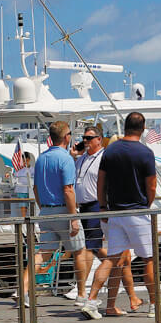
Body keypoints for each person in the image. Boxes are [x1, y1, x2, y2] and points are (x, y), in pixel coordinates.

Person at [82, 111, 161, 319]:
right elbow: (151, 185)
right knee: (149, 258)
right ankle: (154, 306)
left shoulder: (111, 150)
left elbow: (101, 182)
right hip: (137, 211)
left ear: (125, 127)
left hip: (114, 212)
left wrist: (103, 207)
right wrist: (146, 205)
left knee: (111, 258)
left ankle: (91, 301)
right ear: (142, 129)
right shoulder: (145, 153)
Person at [30, 120, 83, 299]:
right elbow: (68, 190)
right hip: (63, 211)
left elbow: (36, 189)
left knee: (43, 254)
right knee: (79, 251)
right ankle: (82, 294)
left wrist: (43, 208)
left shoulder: (41, 158)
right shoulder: (65, 159)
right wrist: (73, 217)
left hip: (45, 211)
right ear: (66, 137)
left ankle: (23, 290)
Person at [71, 124, 108, 302]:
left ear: (99, 139)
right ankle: (118, 267)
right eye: (84, 138)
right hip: (82, 207)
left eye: (89, 138)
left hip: (95, 205)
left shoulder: (103, 157)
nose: (85, 141)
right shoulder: (82, 158)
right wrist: (74, 154)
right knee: (93, 248)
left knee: (88, 247)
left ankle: (81, 291)